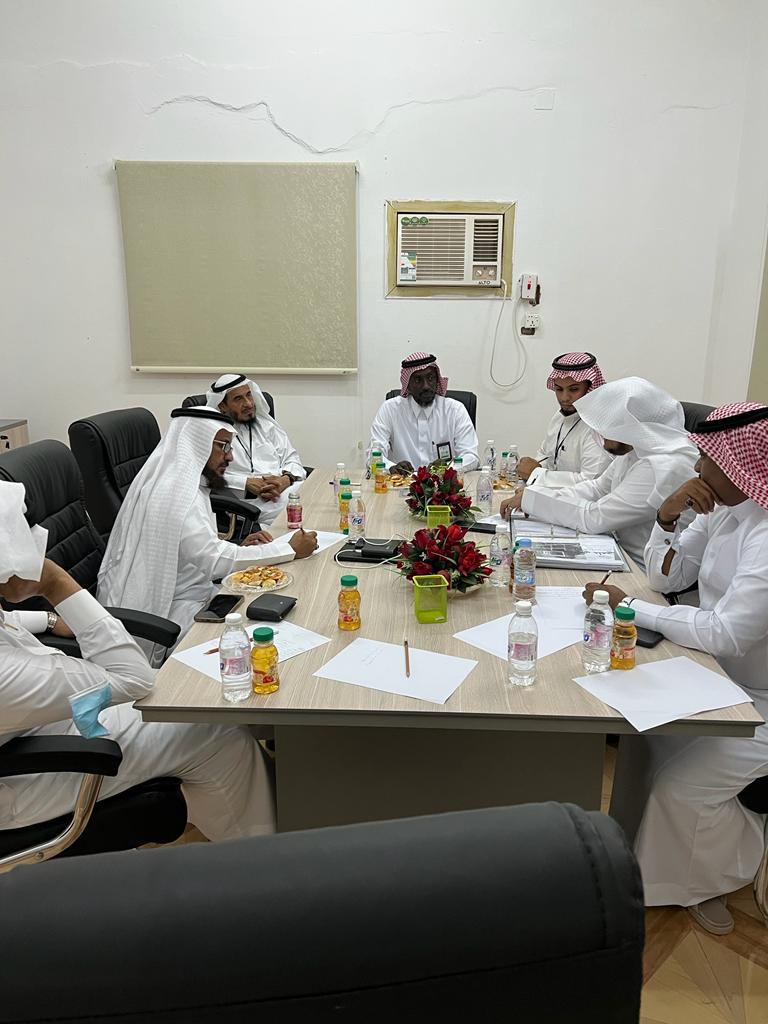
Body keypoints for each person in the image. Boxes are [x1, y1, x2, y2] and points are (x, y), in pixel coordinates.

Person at [0, 480, 275, 841]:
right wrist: (54, 582)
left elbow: (8, 620)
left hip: (34, 725)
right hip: (26, 776)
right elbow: (134, 679)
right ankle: (262, 857)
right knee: (213, 729)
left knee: (200, 694)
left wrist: (48, 619)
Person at [583, 402, 768, 935]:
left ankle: (711, 875)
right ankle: (632, 852)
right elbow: (668, 578)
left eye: (709, 460)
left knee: (679, 787)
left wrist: (629, 609)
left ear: (742, 466)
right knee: (641, 736)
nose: (697, 469)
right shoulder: (729, 509)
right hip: (715, 675)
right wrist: (666, 518)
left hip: (758, 700)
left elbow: (728, 631)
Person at [98, 407, 317, 640]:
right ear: (197, 444)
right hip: (170, 612)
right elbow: (214, 561)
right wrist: (289, 549)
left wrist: (239, 547)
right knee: (270, 634)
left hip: (200, 593)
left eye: (230, 447)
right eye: (223, 447)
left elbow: (200, 549)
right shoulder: (177, 496)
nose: (230, 457)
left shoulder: (187, 483)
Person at [501, 378, 699, 569]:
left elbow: (595, 517)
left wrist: (533, 500)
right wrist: (535, 495)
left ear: (634, 425)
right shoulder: (636, 450)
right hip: (616, 551)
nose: (600, 431)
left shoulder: (662, 465)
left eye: (608, 423)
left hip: (640, 570)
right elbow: (597, 488)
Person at [206, 373, 306, 526]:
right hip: (246, 504)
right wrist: (245, 482)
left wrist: (285, 479)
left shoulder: (266, 426)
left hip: (283, 491)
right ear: (222, 406)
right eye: (238, 399)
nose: (248, 403)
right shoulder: (214, 435)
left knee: (320, 496)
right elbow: (204, 475)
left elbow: (292, 459)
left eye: (249, 395)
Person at [368, 352, 479, 475]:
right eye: (418, 380)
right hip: (402, 483)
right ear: (407, 385)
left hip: (444, 483)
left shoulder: (455, 410)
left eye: (430, 378)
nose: (426, 386)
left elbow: (471, 456)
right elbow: (373, 455)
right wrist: (391, 468)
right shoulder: (390, 410)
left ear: (437, 380)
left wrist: (447, 469)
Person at [519, 351, 611, 489]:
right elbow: (545, 455)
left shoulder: (598, 426)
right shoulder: (559, 416)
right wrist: (531, 468)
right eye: (559, 389)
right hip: (554, 495)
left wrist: (536, 475)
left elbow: (591, 482)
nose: (564, 398)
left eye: (574, 389)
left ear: (589, 389)